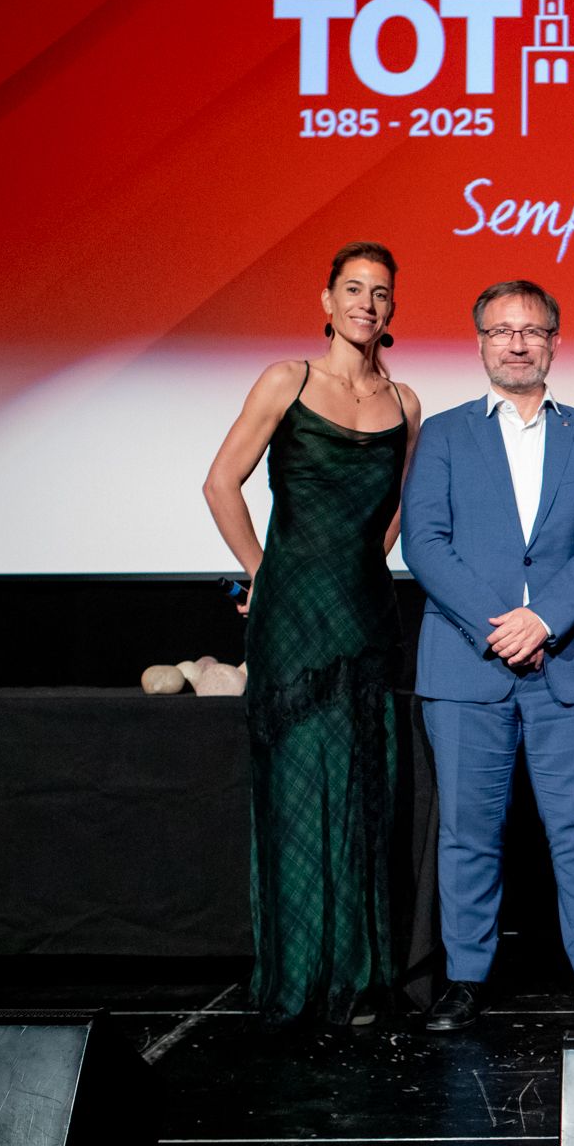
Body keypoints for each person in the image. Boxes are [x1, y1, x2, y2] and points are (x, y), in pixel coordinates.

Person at [400, 279, 574, 1031]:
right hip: (468, 666)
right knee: (467, 828)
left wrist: (546, 620)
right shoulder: (444, 432)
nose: (518, 342)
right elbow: (423, 541)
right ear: (481, 345)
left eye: (532, 330)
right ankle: (464, 976)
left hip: (567, 666)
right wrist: (500, 626)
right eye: (501, 331)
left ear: (555, 342)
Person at [204, 240, 422, 1026]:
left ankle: (362, 977)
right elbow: (220, 481)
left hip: (367, 612)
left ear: (392, 311)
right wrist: (263, 570)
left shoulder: (407, 403)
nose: (368, 302)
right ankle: (299, 978)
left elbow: (399, 509)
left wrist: (363, 562)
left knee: (367, 792)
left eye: (382, 293)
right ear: (327, 300)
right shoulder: (286, 379)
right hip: (292, 615)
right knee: (299, 792)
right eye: (354, 289)